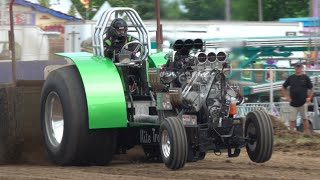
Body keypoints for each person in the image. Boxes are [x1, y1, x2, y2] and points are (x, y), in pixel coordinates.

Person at [104, 18, 149, 95]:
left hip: (130, 62)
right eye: (119, 30)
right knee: (123, 64)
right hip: (114, 65)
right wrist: (115, 52)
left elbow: (137, 46)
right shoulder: (108, 40)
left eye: (123, 30)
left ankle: (146, 89)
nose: (121, 32)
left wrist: (129, 51)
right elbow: (106, 52)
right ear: (114, 30)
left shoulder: (129, 38)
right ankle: (126, 91)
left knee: (143, 62)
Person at [282, 63, 314, 133]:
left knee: (305, 118)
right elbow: (284, 87)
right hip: (293, 103)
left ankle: (307, 133)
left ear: (302, 67)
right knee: (292, 119)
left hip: (303, 102)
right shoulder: (290, 77)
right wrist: (287, 97)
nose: (298, 68)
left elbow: (312, 88)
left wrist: (309, 97)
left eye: (299, 67)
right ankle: (292, 133)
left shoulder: (306, 77)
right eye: (297, 67)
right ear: (295, 68)